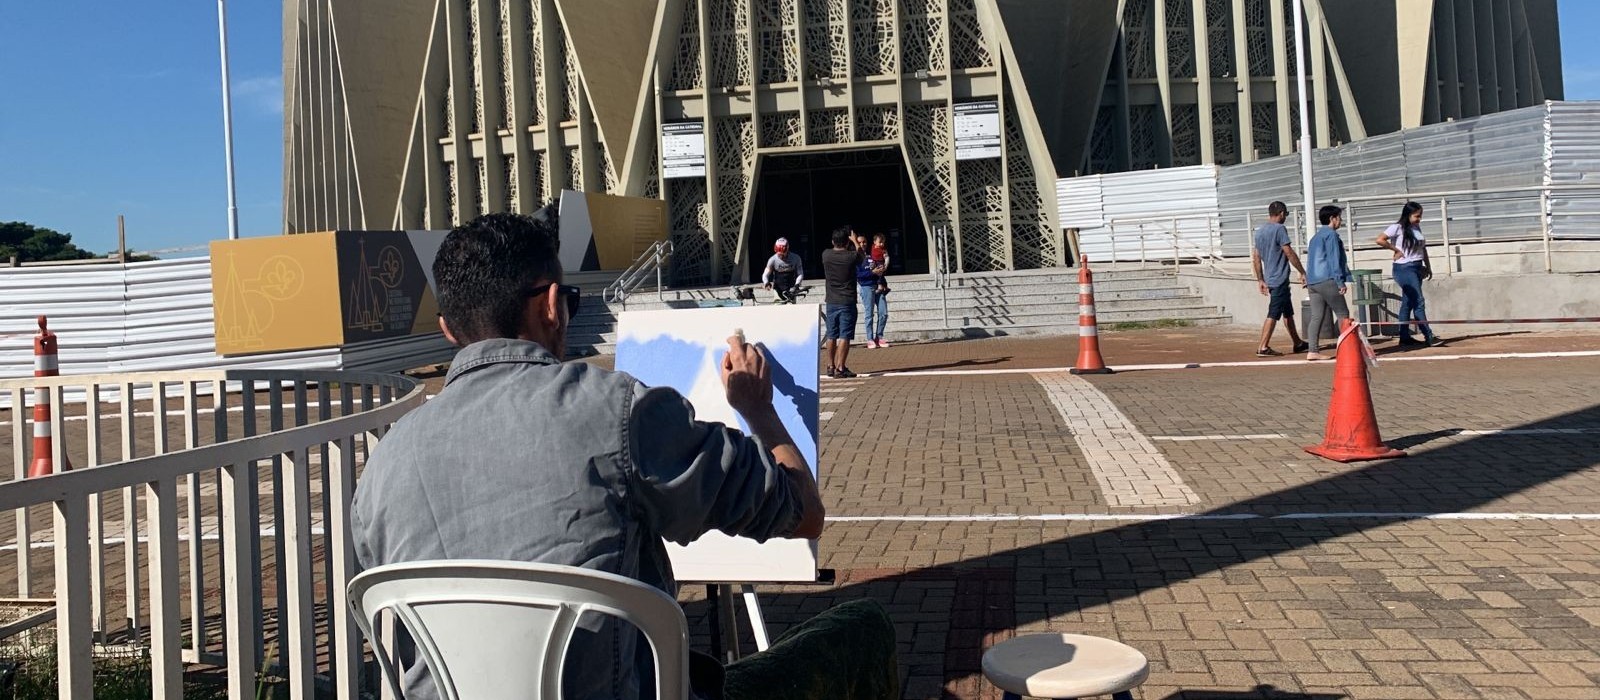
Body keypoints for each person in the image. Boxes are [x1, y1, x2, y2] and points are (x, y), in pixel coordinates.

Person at [350, 211, 899, 700]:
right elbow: (803, 513)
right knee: (863, 627)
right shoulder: (615, 411)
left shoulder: (380, 471)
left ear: (448, 331)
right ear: (550, 306)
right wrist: (758, 411)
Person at [1376, 201, 1443, 346]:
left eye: (1420, 216)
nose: (1419, 219)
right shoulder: (1397, 227)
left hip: (1417, 267)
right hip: (1404, 268)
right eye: (1417, 216)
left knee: (1408, 303)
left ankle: (1404, 336)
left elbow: (1422, 249)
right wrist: (1396, 250)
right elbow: (1380, 240)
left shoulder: (1416, 227)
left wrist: (1427, 266)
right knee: (1418, 301)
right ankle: (1428, 335)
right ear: (1408, 214)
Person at [1250, 201, 1309, 357]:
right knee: (1274, 313)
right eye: (1286, 214)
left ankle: (1298, 342)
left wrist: (1260, 279)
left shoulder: (1260, 232)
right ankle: (1263, 346)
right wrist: (1302, 271)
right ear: (1282, 213)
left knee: (1287, 312)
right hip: (1279, 278)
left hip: (1270, 277)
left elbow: (1256, 257)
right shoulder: (1279, 229)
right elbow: (1288, 252)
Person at [1303, 205, 1352, 361]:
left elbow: (1311, 260)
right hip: (1328, 279)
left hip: (1313, 282)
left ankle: (1313, 350)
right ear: (1332, 218)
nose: (1341, 221)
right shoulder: (1331, 236)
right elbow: (1334, 259)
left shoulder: (1315, 238)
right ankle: (1346, 350)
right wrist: (1340, 281)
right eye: (1339, 217)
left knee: (1316, 316)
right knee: (1343, 314)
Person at [821, 226, 863, 378]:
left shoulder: (826, 255)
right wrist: (855, 241)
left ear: (833, 241)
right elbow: (861, 256)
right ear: (847, 242)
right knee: (845, 335)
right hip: (847, 300)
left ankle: (830, 365)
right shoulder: (851, 256)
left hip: (831, 300)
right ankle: (840, 367)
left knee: (831, 334)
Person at [859, 233, 890, 349]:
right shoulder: (856, 258)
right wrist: (872, 272)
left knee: (883, 312)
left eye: (864, 242)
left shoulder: (873, 253)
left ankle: (879, 336)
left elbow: (884, 260)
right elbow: (858, 275)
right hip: (867, 287)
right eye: (860, 242)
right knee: (869, 314)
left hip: (879, 285)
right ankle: (870, 338)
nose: (862, 244)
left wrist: (882, 269)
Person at [761, 237, 804, 304]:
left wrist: (797, 285)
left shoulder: (796, 258)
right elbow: (765, 274)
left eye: (782, 254)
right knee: (779, 310)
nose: (780, 256)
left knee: (792, 310)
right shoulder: (772, 259)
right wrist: (766, 283)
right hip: (778, 289)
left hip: (791, 289)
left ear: (787, 249)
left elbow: (800, 273)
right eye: (778, 254)